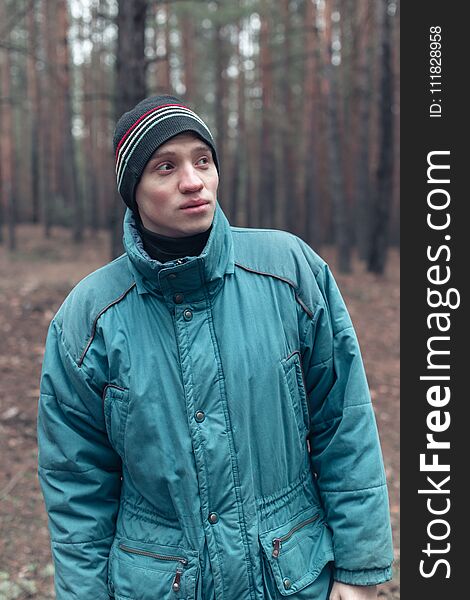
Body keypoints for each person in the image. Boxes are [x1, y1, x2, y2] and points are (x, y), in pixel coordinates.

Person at [37, 95, 393, 600]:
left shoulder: (289, 272)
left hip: (291, 576)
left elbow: (344, 423)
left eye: (202, 160)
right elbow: (76, 487)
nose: (192, 180)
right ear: (132, 190)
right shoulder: (90, 318)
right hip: (159, 584)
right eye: (166, 166)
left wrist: (359, 571)